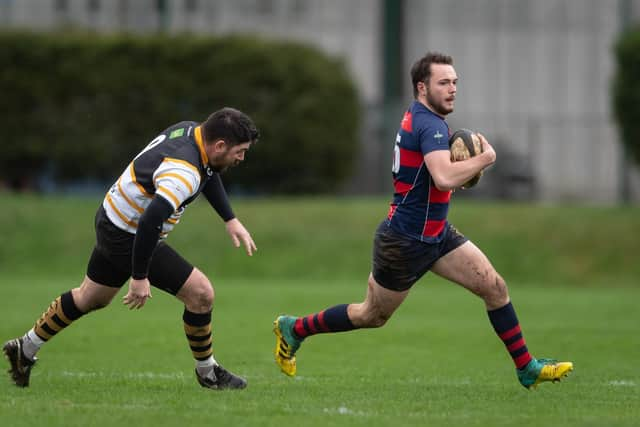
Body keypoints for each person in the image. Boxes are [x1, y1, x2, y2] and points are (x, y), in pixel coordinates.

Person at [272, 52, 573, 389]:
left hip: (437, 235)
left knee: (494, 287)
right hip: (404, 242)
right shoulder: (429, 124)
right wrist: (485, 159)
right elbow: (443, 177)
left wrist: (459, 174)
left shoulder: (422, 118)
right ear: (422, 87)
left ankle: (526, 367)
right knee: (371, 315)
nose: (452, 88)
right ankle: (294, 328)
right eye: (443, 82)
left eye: (455, 82)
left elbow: (435, 180)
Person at [4, 107, 260, 390]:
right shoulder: (183, 173)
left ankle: (24, 347)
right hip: (130, 234)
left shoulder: (191, 131)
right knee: (201, 294)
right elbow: (151, 220)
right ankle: (208, 372)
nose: (242, 158)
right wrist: (139, 277)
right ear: (220, 145)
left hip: (111, 216)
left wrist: (230, 219)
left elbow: (209, 171)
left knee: (91, 298)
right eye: (240, 151)